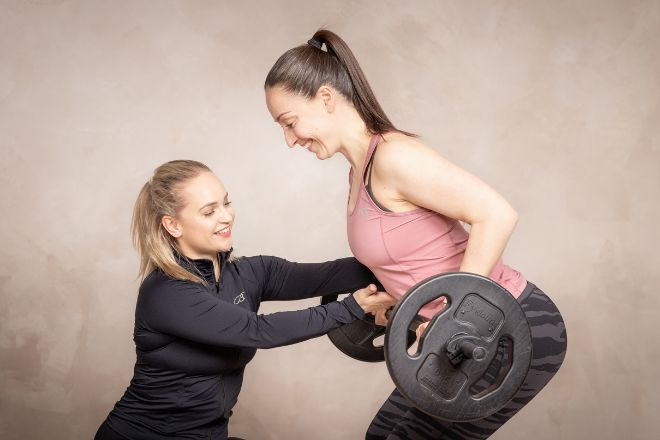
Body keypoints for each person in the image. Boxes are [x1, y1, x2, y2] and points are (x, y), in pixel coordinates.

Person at [264, 30, 567, 439]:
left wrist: (450, 317)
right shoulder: (361, 171)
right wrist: (402, 300)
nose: (289, 139)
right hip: (458, 338)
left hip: (511, 328)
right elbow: (420, 257)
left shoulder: (394, 157)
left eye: (290, 122)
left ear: (325, 98)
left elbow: (496, 214)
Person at [94, 160, 397, 440]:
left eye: (225, 202)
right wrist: (353, 308)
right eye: (209, 211)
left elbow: (330, 276)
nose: (226, 216)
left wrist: (406, 266)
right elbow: (259, 331)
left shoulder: (250, 273)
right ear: (173, 225)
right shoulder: (167, 292)